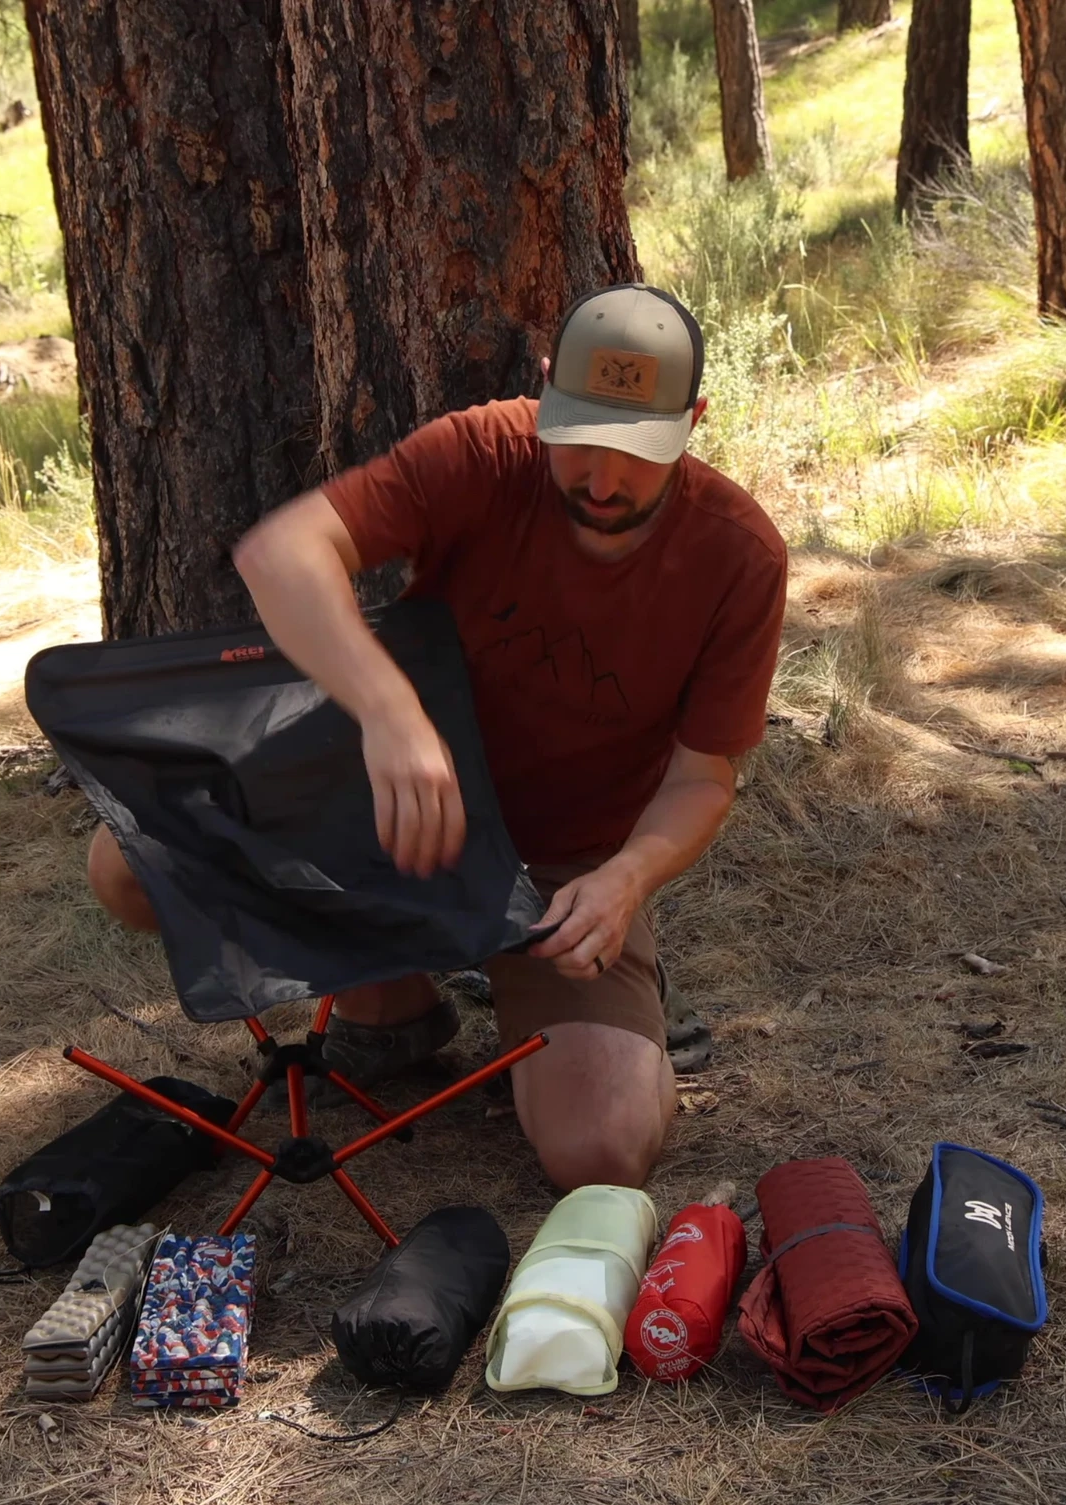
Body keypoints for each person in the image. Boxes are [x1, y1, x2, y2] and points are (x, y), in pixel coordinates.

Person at [87, 284, 787, 1190]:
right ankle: (399, 1002)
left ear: (695, 420)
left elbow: (702, 778)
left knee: (603, 1149)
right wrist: (389, 713)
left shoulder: (738, 556)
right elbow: (283, 553)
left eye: (638, 453)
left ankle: (582, 989)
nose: (603, 481)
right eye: (578, 441)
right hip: (397, 814)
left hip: (559, 874)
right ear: (545, 389)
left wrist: (626, 879)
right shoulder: (486, 451)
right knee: (129, 863)